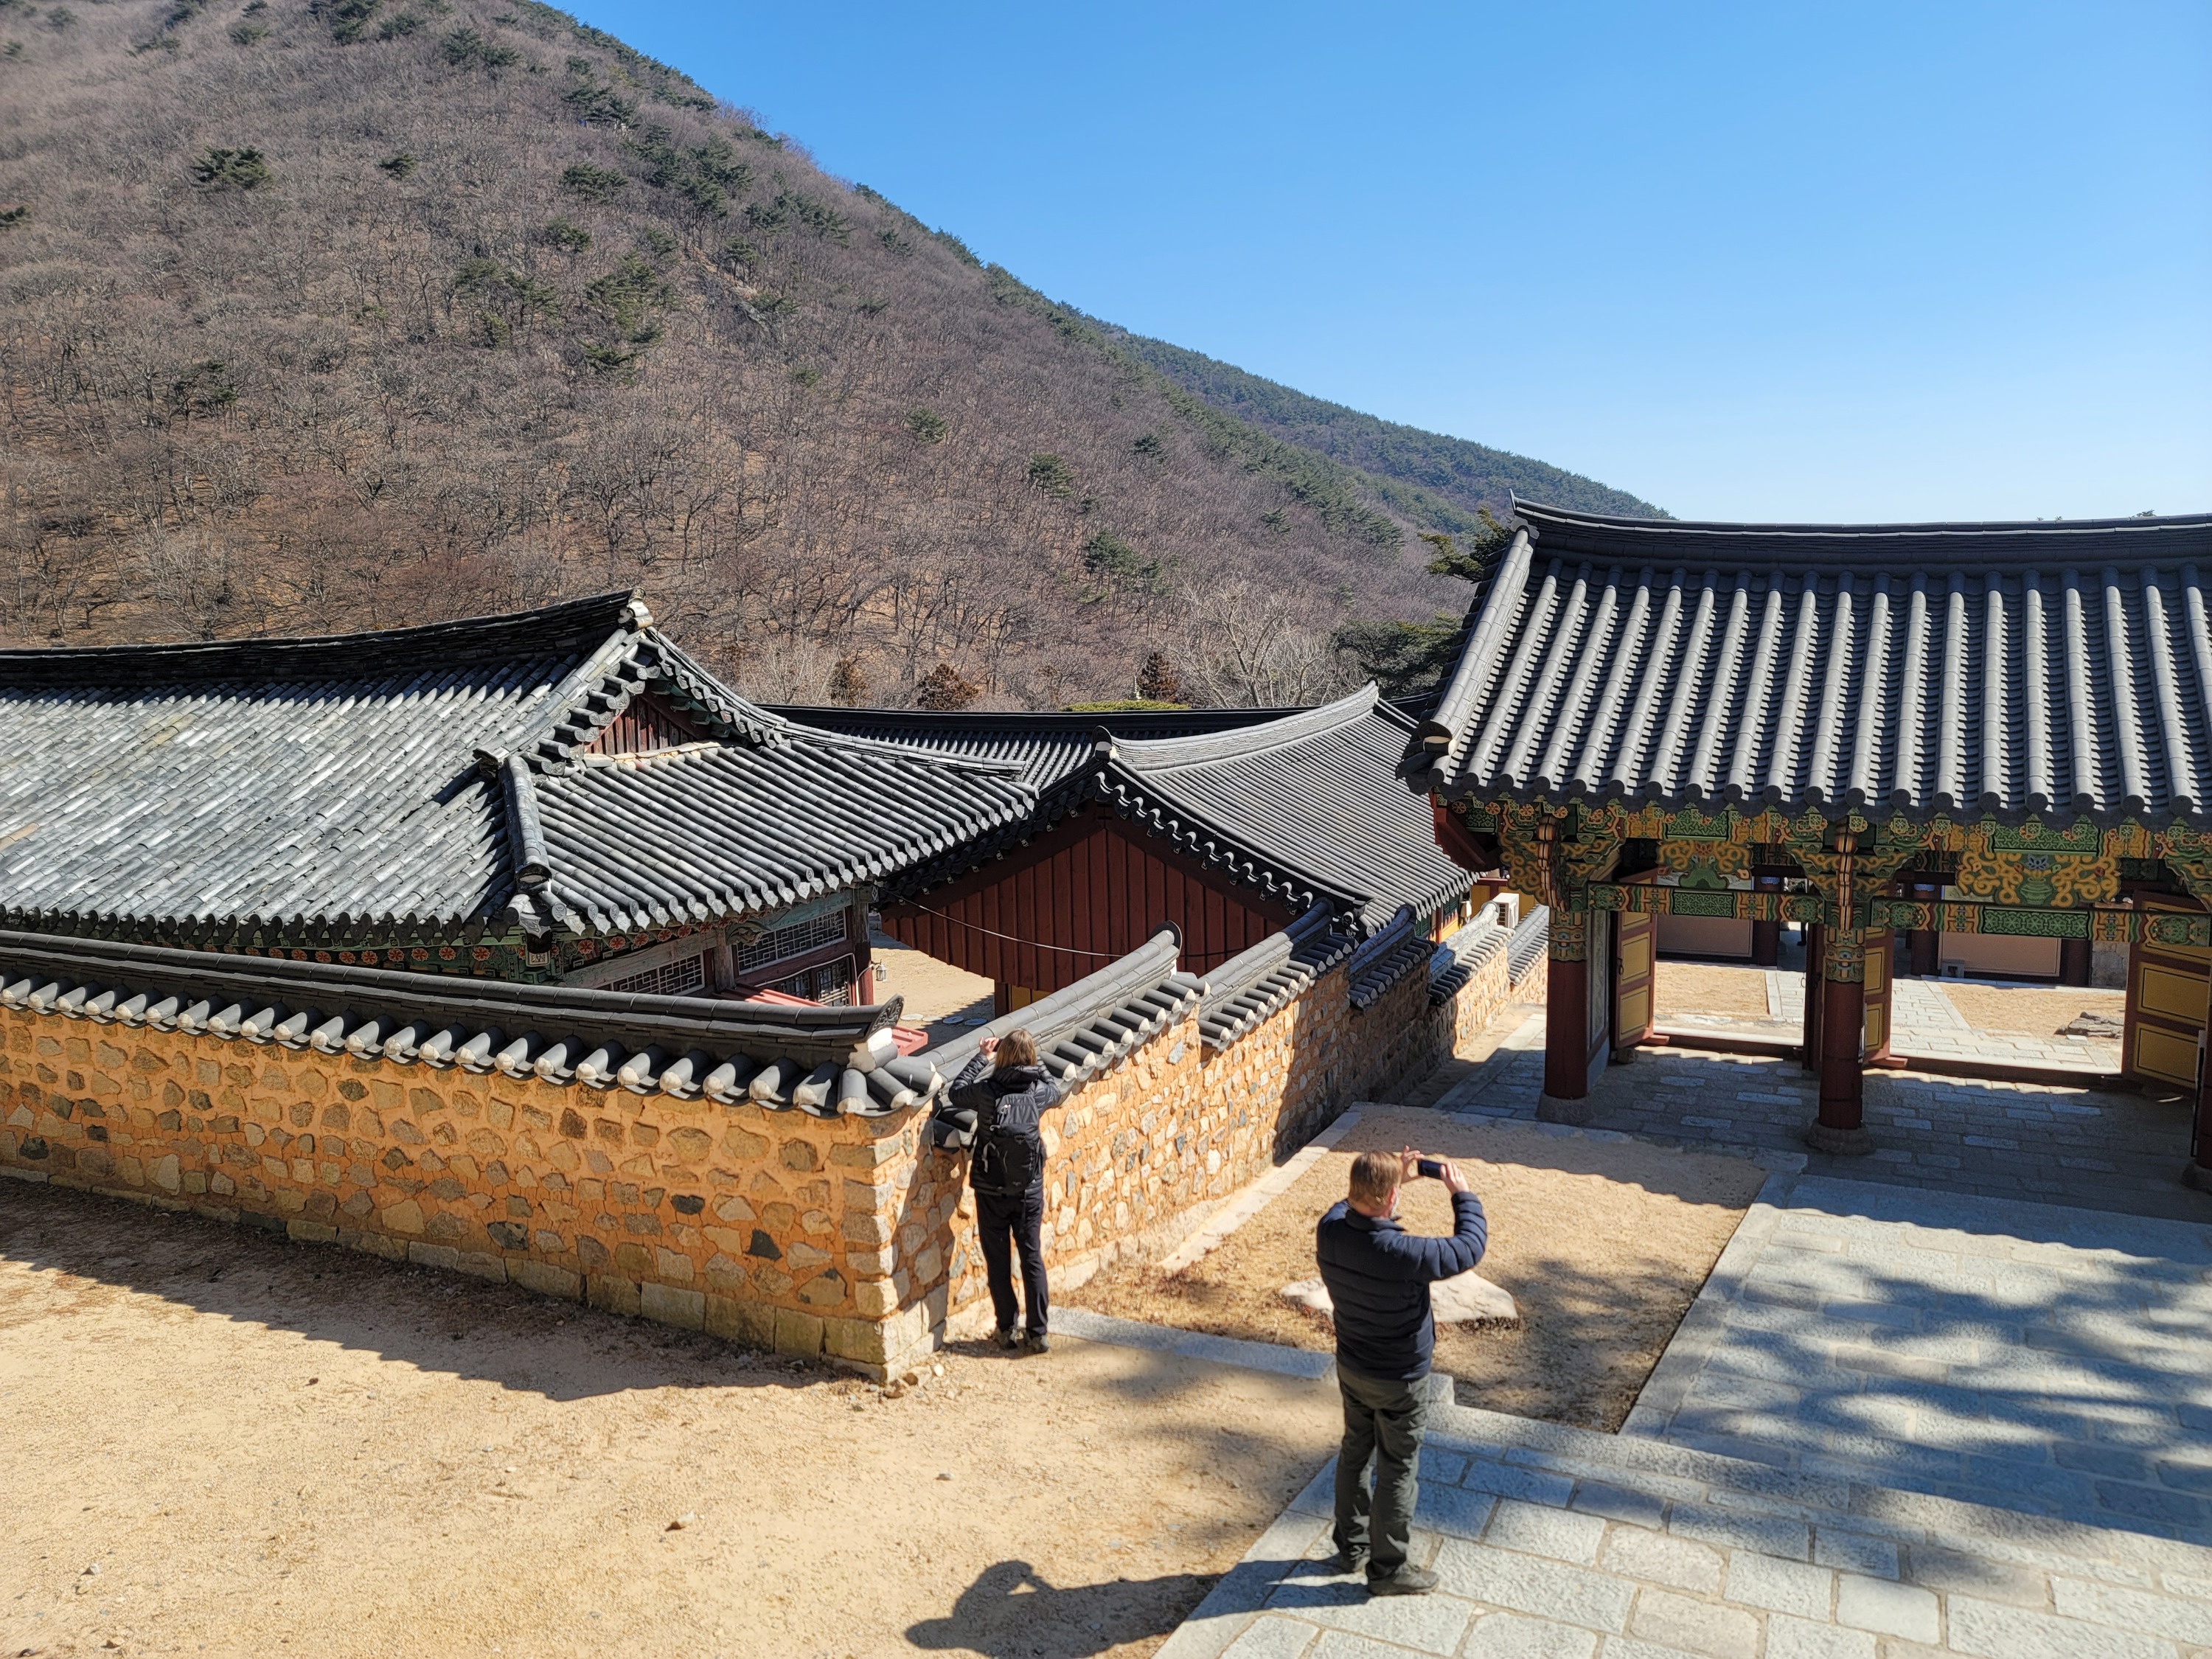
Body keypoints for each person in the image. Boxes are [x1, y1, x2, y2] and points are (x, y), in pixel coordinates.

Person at [1314, 1147, 1487, 1596]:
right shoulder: (1403, 1253)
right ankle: (1389, 1570)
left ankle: (1350, 1548)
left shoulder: (1330, 1232)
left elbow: (1343, 1205)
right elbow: (1469, 1248)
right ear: (1390, 1200)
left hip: (1352, 1366)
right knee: (1397, 1467)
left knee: (1355, 1452)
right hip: (1400, 1380)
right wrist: (1462, 1194)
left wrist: (1392, 1182)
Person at [948, 1029, 1063, 1354]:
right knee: (1031, 1257)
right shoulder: (1038, 1091)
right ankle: (1038, 1332)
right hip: (1028, 1189)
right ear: (1029, 1058)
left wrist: (981, 1057)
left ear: (1000, 1056)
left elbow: (955, 1093)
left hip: (991, 1189)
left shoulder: (987, 1091)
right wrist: (1036, 1060)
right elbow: (1057, 1088)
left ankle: (1006, 1328)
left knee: (998, 1259)